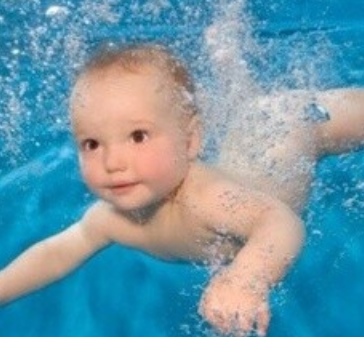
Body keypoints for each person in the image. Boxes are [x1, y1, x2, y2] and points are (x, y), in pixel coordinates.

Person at [0, 44, 362, 337]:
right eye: (92, 144)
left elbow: (282, 223)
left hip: (290, 127)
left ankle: (233, 67)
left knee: (296, 111)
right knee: (248, 109)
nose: (112, 161)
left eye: (138, 136)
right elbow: (57, 253)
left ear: (190, 142)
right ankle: (230, 62)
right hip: (248, 141)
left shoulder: (206, 197)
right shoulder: (110, 219)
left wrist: (246, 278)